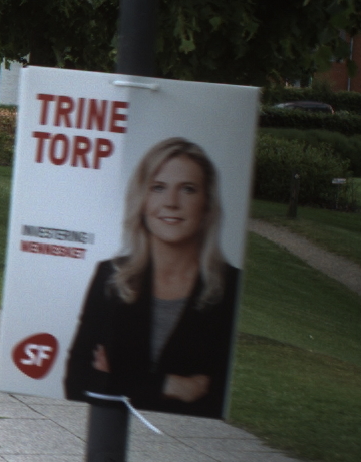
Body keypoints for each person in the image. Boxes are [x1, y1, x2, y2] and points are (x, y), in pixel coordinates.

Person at [63, 137, 239, 417]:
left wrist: (118, 377)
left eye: (188, 189)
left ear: (206, 204)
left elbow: (217, 397)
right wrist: (167, 385)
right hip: (111, 425)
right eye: (158, 187)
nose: (171, 202)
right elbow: (77, 381)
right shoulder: (110, 276)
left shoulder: (231, 287)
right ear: (142, 200)